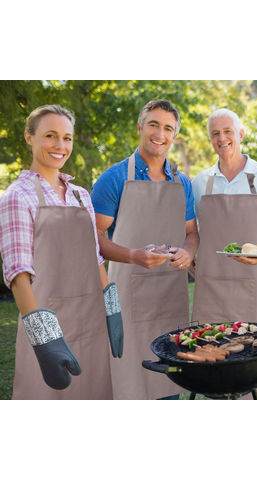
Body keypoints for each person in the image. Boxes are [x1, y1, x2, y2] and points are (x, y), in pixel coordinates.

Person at [0, 104, 123, 399]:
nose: (60, 146)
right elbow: (18, 274)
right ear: (30, 137)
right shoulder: (17, 196)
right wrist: (46, 341)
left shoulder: (81, 195)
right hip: (47, 324)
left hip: (91, 322)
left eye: (67, 138)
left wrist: (112, 308)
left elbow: (94, 259)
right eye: (50, 136)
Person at [91, 99, 198, 400]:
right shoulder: (113, 179)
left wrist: (189, 252)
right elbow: (93, 237)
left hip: (170, 298)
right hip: (128, 297)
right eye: (153, 124)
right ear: (140, 127)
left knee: (169, 380)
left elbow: (192, 233)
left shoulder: (183, 183)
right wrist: (133, 256)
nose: (159, 134)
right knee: (129, 380)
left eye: (168, 128)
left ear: (174, 135)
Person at [191, 108, 257, 399]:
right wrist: (193, 263)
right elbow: (194, 233)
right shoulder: (200, 182)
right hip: (211, 287)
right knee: (212, 359)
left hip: (252, 285)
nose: (222, 138)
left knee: (256, 358)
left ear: (241, 134)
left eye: (228, 131)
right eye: (215, 133)